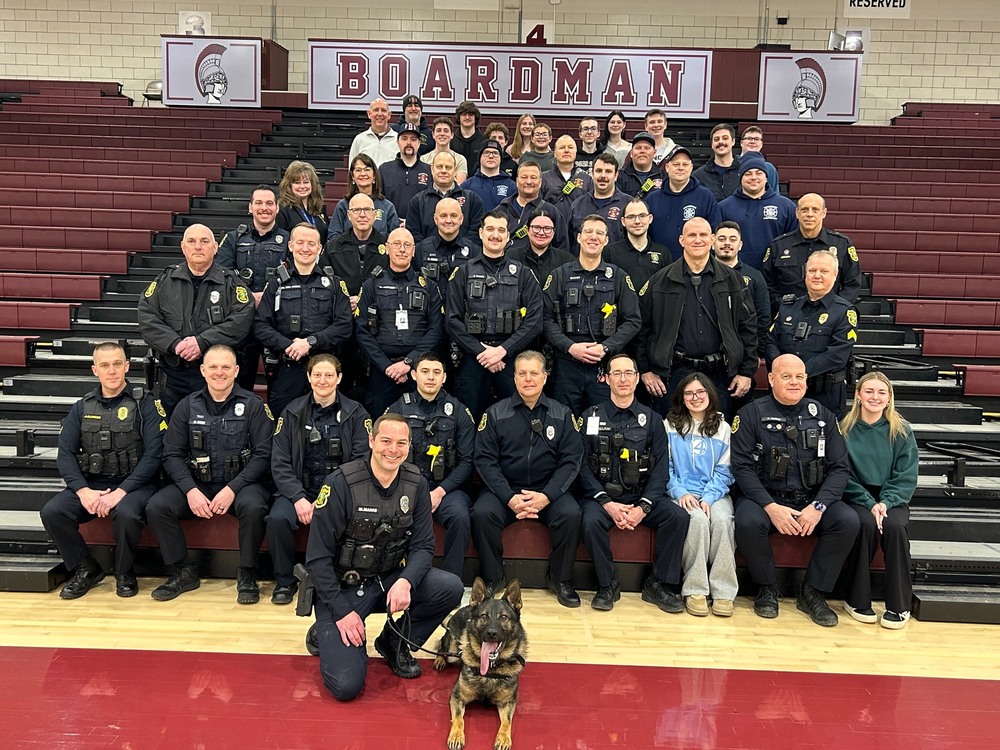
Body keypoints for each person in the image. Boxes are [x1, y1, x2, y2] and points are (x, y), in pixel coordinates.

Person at [305, 413, 464, 701]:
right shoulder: (340, 483)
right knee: (346, 686)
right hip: (342, 589)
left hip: (388, 580)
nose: (393, 450)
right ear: (371, 441)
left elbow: (423, 547)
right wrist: (341, 612)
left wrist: (406, 582)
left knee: (449, 587)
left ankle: (393, 642)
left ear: (409, 445)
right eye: (386, 441)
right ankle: (325, 631)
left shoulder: (416, 483)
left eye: (401, 443)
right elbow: (317, 559)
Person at [731, 354, 858, 626]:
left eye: (799, 377)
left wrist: (818, 507)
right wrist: (770, 507)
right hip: (766, 498)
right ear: (771, 379)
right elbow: (741, 467)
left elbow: (839, 468)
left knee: (847, 521)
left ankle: (813, 591)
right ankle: (766, 588)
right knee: (747, 521)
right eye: (786, 376)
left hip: (811, 499)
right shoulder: (750, 414)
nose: (794, 382)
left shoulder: (823, 415)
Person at [146, 345, 274, 604]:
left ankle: (247, 573)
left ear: (236, 371)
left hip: (241, 484)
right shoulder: (186, 406)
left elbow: (263, 455)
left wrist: (232, 489)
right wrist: (190, 490)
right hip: (198, 483)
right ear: (203, 370)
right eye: (213, 367)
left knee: (253, 506)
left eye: (226, 367)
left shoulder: (253, 406)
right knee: (157, 506)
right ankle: (183, 570)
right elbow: (171, 453)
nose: (219, 372)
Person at [40, 342, 166, 599]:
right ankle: (86, 568)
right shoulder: (82, 407)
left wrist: (121, 492)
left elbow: (154, 455)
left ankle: (124, 572)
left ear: (127, 367)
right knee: (53, 512)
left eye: (117, 364)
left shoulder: (146, 405)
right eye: (105, 365)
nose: (112, 370)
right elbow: (65, 454)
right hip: (92, 482)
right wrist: (82, 490)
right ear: (94, 370)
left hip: (135, 484)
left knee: (128, 514)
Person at [471, 350, 584, 606]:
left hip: (548, 492)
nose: (528, 379)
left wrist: (547, 496)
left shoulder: (562, 414)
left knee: (571, 515)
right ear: (514, 378)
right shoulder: (496, 413)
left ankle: (560, 578)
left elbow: (571, 461)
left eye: (534, 373)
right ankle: (493, 577)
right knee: (481, 513)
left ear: (545, 377)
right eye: (522, 373)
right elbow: (485, 461)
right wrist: (509, 497)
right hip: (506, 491)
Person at [579, 353, 688, 613]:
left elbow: (661, 469)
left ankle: (658, 584)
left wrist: (644, 507)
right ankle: (607, 585)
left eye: (629, 373)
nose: (623, 378)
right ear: (606, 379)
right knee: (590, 521)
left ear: (638, 378)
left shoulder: (652, 420)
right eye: (616, 373)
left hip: (640, 496)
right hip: (603, 498)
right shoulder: (590, 417)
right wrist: (606, 503)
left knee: (678, 517)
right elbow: (580, 466)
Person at [266, 354, 371, 605]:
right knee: (277, 519)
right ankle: (285, 581)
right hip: (300, 490)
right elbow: (279, 462)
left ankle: (339, 577)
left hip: (341, 491)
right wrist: (298, 498)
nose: (323, 380)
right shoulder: (291, 412)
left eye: (329, 375)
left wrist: (329, 498)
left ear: (339, 378)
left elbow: (361, 461)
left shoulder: (356, 414)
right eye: (317, 375)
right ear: (309, 377)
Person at [636, 218, 757, 418]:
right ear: (681, 240)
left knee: (718, 436)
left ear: (712, 239)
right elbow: (642, 329)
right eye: (692, 235)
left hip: (720, 373)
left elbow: (748, 328)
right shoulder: (660, 281)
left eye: (703, 235)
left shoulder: (732, 280)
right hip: (673, 373)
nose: (697, 240)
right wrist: (645, 370)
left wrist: (746, 372)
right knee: (673, 436)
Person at [138, 223, 255, 416]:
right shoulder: (165, 281)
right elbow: (147, 317)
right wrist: (175, 344)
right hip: (173, 376)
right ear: (183, 247)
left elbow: (241, 321)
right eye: (191, 241)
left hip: (216, 379)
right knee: (171, 435)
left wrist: (202, 342)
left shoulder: (231, 284)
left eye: (204, 241)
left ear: (215, 247)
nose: (198, 246)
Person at [840, 372, 918, 630]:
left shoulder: (902, 430)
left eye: (881, 393)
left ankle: (899, 604)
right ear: (859, 396)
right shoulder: (844, 430)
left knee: (895, 527)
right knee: (864, 524)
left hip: (891, 498)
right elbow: (842, 474)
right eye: (869, 391)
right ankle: (856, 599)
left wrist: (885, 502)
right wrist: (868, 502)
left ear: (889, 399)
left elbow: (906, 475)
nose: (875, 397)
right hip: (856, 496)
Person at [447, 210, 543, 417]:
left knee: (515, 421)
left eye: (501, 230)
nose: (495, 235)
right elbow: (452, 320)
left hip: (510, 360)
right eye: (490, 229)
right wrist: (481, 352)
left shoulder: (524, 274)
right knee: (468, 420)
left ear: (508, 236)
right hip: (472, 357)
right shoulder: (463, 273)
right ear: (480, 233)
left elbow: (534, 322)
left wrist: (502, 351)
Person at [387, 352, 476, 578]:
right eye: (425, 372)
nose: (430, 377)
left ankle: (451, 580)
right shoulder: (398, 409)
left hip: (445, 489)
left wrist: (439, 492)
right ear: (414, 375)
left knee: (459, 516)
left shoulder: (458, 412)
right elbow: (386, 454)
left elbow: (467, 462)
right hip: (405, 488)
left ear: (444, 377)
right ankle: (394, 576)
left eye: (437, 373)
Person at [252, 223, 355, 418]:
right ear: (290, 245)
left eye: (311, 243)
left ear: (320, 248)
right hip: (287, 367)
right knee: (284, 424)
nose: (305, 248)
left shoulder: (333, 283)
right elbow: (260, 325)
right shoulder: (276, 284)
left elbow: (344, 326)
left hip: (325, 369)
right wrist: (289, 346)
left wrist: (310, 342)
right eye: (300, 243)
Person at [543, 214, 641, 415]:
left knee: (603, 421)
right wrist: (569, 347)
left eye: (599, 233)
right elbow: (544, 319)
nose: (593, 237)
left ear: (606, 240)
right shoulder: (560, 275)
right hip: (567, 364)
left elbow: (633, 320)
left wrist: (607, 347)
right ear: (579, 237)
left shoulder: (619, 277)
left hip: (604, 364)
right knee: (565, 421)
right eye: (588, 231)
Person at [664, 374, 737, 617]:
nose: (695, 398)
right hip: (681, 493)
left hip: (713, 494)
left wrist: (709, 497)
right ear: (682, 399)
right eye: (689, 393)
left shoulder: (723, 428)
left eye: (700, 392)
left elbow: (725, 471)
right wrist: (680, 492)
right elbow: (666, 468)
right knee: (696, 520)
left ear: (710, 395)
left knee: (722, 520)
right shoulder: (670, 426)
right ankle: (695, 589)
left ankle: (724, 592)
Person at [355, 227, 443, 415]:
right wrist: (387, 366)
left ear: (413, 251)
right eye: (396, 244)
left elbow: (436, 329)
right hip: (381, 370)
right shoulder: (371, 285)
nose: (402, 249)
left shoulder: (428, 286)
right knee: (381, 423)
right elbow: (362, 331)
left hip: (418, 370)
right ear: (387, 248)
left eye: (407, 245)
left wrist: (409, 362)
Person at [765, 250, 858, 418]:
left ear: (835, 274)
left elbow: (837, 355)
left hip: (824, 395)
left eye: (824, 271)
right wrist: (785, 372)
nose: (817, 276)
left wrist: (796, 374)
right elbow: (771, 341)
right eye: (812, 270)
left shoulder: (844, 311)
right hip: (784, 393)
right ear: (805, 273)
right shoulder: (788, 307)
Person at [216, 185, 290, 390]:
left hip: (276, 321)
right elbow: (222, 275)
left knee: (280, 388)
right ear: (250, 207)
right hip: (242, 321)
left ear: (277, 208)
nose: (264, 208)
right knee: (240, 384)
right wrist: (249, 296)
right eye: (258, 203)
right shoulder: (233, 239)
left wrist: (265, 297)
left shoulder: (289, 240)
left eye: (269, 203)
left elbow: (296, 278)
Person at [763, 193, 862, 313]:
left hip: (829, 316)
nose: (809, 214)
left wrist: (835, 309)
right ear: (797, 213)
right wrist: (783, 306)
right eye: (804, 210)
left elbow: (852, 283)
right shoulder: (779, 245)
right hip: (787, 316)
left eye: (815, 210)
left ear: (824, 213)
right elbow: (767, 284)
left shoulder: (841, 244)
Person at [718, 153, 796, 270]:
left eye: (758, 173)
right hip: (732, 273)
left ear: (766, 178)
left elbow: (793, 242)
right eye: (748, 174)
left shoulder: (786, 207)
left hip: (775, 275)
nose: (753, 177)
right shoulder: (724, 207)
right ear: (740, 178)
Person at [647, 145, 721, 261]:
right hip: (658, 263)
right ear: (667, 167)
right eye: (676, 164)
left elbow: (715, 231)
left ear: (691, 167)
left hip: (695, 264)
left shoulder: (705, 196)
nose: (680, 168)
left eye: (685, 164)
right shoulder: (652, 198)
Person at [714, 221, 770, 363]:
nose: (727, 243)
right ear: (712, 242)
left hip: (743, 352)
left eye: (733, 239)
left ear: (740, 245)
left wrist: (757, 352)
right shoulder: (701, 275)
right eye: (722, 239)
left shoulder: (755, 277)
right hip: (709, 352)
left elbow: (763, 317)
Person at [321, 193, 389, 308]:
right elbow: (323, 285)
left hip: (380, 312)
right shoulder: (332, 247)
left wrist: (364, 300)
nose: (362, 215)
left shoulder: (388, 245)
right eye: (356, 210)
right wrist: (343, 301)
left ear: (375, 214)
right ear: (349, 215)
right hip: (342, 314)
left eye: (367, 210)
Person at [405, 151, 485, 244]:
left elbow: (477, 231)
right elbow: (414, 233)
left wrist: (460, 250)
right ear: (432, 169)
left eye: (448, 167)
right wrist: (430, 250)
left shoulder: (472, 200)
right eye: (439, 167)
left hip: (464, 256)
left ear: (455, 170)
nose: (443, 171)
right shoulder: (417, 201)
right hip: (427, 257)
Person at [414, 197, 481, 301]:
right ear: (435, 219)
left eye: (453, 216)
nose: (448, 220)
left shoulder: (474, 252)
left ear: (461, 219)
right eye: (443, 216)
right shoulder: (420, 250)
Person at [497, 161, 570, 251]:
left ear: (540, 182)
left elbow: (562, 248)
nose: (528, 182)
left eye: (533, 178)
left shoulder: (552, 212)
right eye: (524, 177)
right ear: (516, 181)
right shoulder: (501, 210)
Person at [603, 198, 670, 289]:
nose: (637, 221)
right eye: (631, 217)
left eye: (642, 216)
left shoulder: (663, 253)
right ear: (623, 221)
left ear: (650, 219)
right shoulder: (610, 252)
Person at [328, 154, 400, 238]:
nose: (363, 174)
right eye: (358, 170)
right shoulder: (343, 206)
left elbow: (395, 238)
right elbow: (333, 236)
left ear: (374, 176)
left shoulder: (388, 207)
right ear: (352, 176)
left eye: (367, 170)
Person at [568, 154, 631, 243]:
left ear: (616, 175)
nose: (603, 175)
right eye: (598, 171)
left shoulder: (628, 204)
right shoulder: (578, 204)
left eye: (608, 171)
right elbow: (569, 240)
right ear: (592, 174)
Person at [507, 207, 574, 287]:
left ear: (553, 232)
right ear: (527, 230)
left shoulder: (566, 261)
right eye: (536, 227)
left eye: (547, 228)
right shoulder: (510, 257)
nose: (541, 233)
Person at [379, 123, 433, 219]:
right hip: (391, 228)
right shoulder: (384, 169)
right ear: (397, 142)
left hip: (420, 229)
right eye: (404, 138)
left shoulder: (430, 170)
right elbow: (379, 202)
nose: (409, 143)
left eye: (413, 139)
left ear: (419, 143)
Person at [276, 161, 331, 246]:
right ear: (289, 185)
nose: (302, 186)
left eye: (306, 182)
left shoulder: (319, 208)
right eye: (297, 183)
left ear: (312, 185)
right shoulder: (282, 210)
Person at [461, 138, 517, 212]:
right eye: (486, 152)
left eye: (495, 153)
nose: (491, 156)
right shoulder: (467, 185)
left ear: (501, 158)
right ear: (480, 157)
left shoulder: (511, 186)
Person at [540, 134, 593, 212]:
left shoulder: (587, 179)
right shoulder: (543, 178)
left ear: (576, 152)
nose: (566, 150)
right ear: (554, 153)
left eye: (570, 147)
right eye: (562, 147)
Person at [693, 123, 741, 202]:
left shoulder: (744, 172)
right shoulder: (699, 176)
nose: (720, 142)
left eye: (725, 138)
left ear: (733, 141)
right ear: (712, 144)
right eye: (716, 139)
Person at [349, 98, 398, 167]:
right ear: (369, 114)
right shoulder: (359, 140)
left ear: (389, 115)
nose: (380, 114)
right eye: (376, 110)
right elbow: (352, 169)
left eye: (383, 110)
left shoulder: (398, 140)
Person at [419, 117, 469, 184]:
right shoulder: (423, 159)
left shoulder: (460, 160)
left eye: (446, 131)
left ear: (452, 135)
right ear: (433, 135)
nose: (442, 134)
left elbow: (459, 186)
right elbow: (423, 184)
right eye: (439, 130)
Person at [615, 132, 661, 198]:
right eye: (638, 148)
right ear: (631, 153)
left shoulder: (664, 177)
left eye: (647, 148)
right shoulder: (619, 177)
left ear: (654, 152)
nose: (642, 151)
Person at [739, 126, 779, 192]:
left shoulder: (769, 168)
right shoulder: (733, 164)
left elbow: (774, 194)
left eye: (757, 139)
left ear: (761, 144)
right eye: (749, 138)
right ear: (741, 143)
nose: (752, 141)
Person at [451, 100, 487, 169]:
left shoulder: (483, 141)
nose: (467, 117)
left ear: (475, 117)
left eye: (470, 114)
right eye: (464, 114)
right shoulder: (451, 140)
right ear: (459, 117)